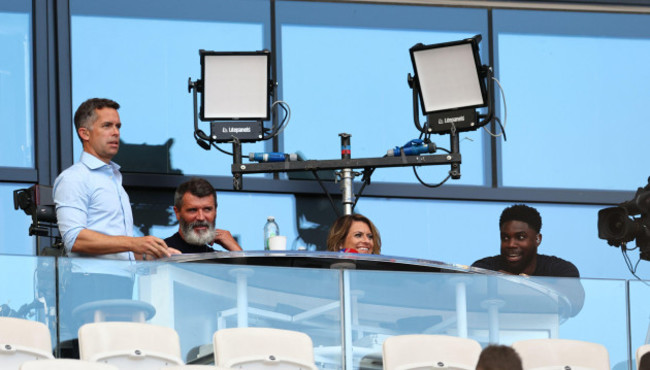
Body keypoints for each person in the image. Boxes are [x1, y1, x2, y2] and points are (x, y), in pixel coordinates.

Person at [54, 98, 179, 260]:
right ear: (84, 133)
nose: (116, 132)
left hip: (121, 281)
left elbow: (120, 250)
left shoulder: (114, 181)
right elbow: (73, 239)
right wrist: (133, 243)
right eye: (107, 126)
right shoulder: (74, 178)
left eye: (118, 126)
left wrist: (157, 255)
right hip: (90, 280)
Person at [472, 204, 579, 277]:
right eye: (505, 238)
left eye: (521, 237)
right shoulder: (485, 267)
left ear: (538, 239)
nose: (511, 244)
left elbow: (574, 301)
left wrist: (507, 282)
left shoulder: (560, 270)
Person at [164, 177, 242, 253]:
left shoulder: (218, 259)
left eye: (207, 209)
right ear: (177, 213)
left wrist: (237, 250)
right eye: (193, 210)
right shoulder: (160, 254)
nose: (201, 217)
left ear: (215, 211)